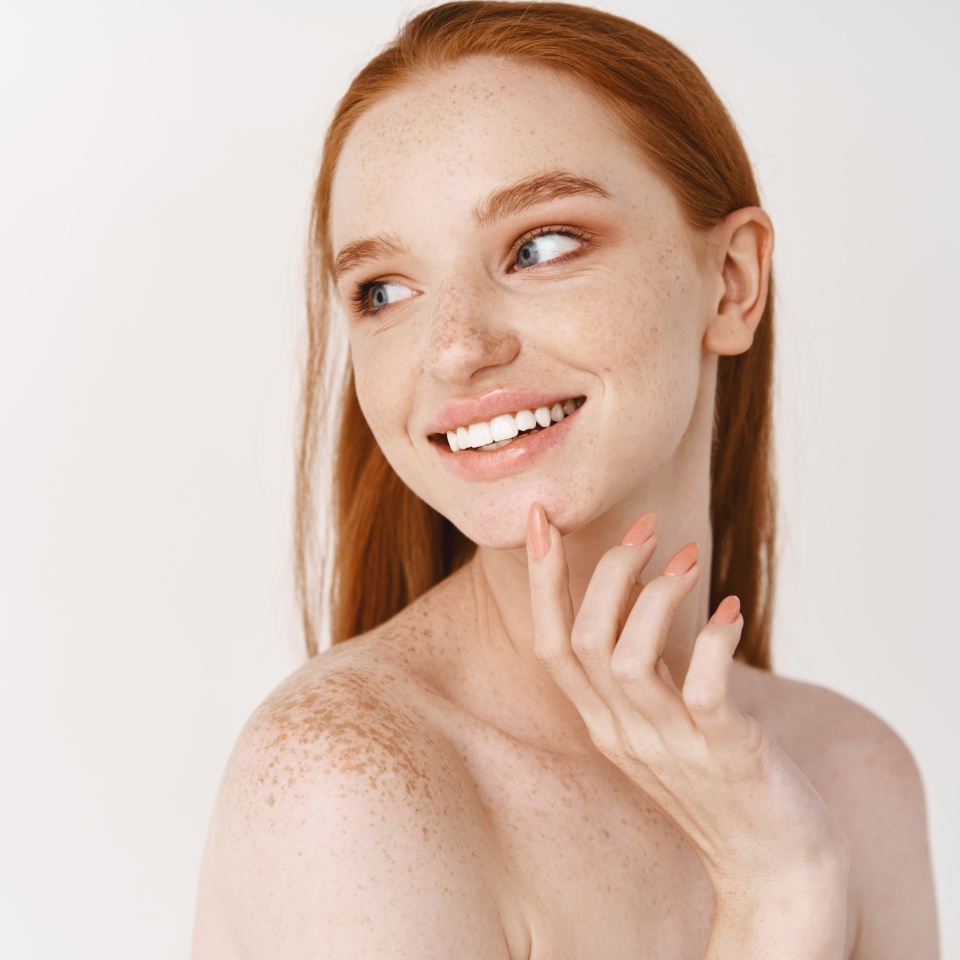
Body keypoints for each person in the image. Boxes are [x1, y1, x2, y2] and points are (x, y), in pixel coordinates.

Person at [191, 2, 939, 956]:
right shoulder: (343, 783)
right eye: (384, 290)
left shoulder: (856, 775)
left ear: (732, 282)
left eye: (541, 246)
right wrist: (779, 893)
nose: (455, 348)